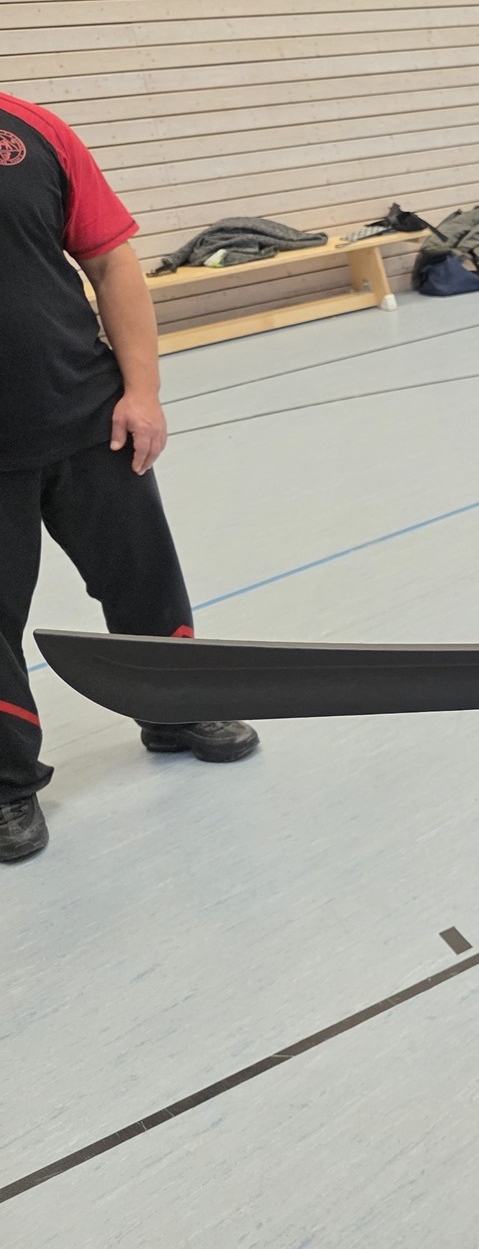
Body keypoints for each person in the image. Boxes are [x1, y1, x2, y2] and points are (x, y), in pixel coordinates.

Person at [0, 93, 258, 864]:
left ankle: (176, 709)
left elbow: (110, 259)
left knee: (145, 578)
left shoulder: (33, 129)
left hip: (87, 412)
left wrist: (141, 390)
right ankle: (7, 785)